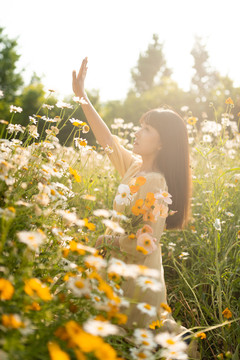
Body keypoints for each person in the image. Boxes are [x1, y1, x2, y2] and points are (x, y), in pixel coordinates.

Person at [72, 58, 199, 358]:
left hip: (137, 276)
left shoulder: (156, 183)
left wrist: (107, 240)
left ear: (162, 144)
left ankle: (181, 343)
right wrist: (82, 96)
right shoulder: (133, 167)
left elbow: (146, 244)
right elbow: (106, 139)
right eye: (141, 126)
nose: (138, 133)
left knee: (134, 341)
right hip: (115, 268)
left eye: (147, 130)